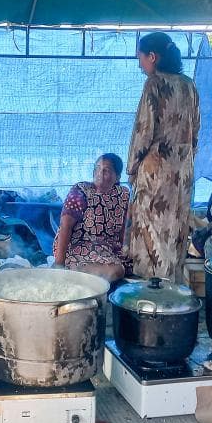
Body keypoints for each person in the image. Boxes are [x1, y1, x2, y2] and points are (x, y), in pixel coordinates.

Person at [127, 32, 200, 282]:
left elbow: (143, 132)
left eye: (141, 58)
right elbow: (196, 133)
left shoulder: (154, 84)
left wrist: (132, 168)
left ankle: (154, 293)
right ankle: (176, 292)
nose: (139, 64)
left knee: (153, 233)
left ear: (153, 56)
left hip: (156, 172)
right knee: (176, 230)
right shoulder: (189, 85)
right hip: (183, 172)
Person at [53, 154, 131, 283]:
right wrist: (59, 263)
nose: (100, 173)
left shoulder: (123, 195)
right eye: (97, 168)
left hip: (107, 250)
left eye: (106, 170)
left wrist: (123, 250)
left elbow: (124, 228)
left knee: (130, 267)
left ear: (117, 177)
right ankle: (73, 271)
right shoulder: (81, 191)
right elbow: (65, 226)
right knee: (116, 271)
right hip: (77, 247)